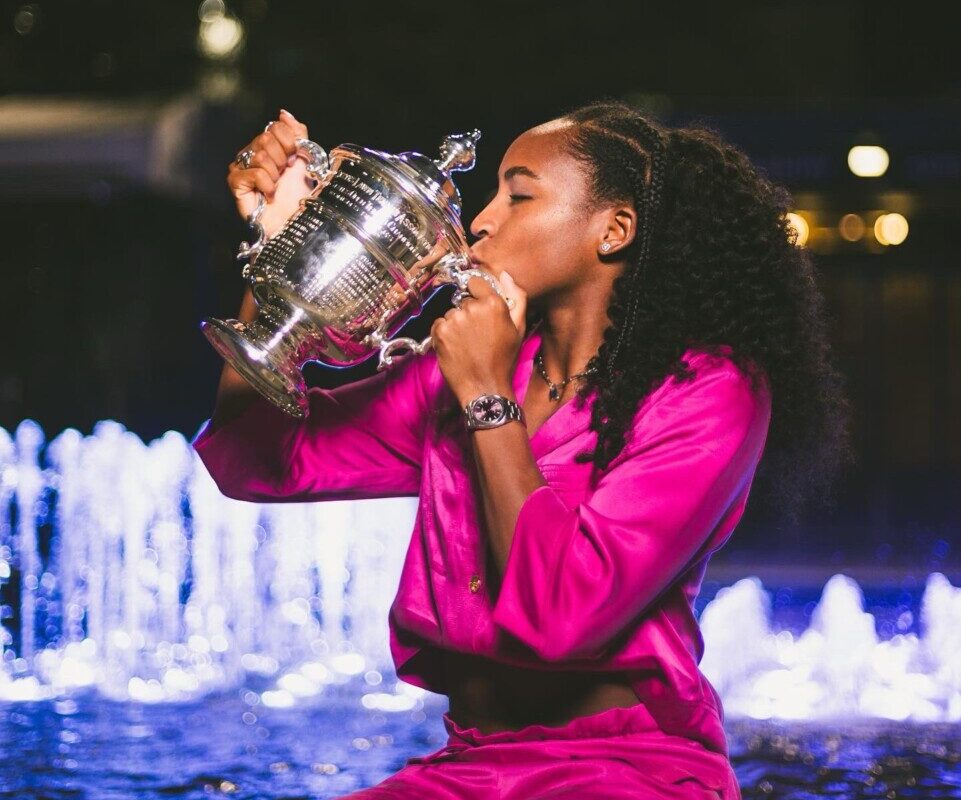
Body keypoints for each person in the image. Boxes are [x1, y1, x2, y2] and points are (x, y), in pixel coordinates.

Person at [193, 102, 852, 799]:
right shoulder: (468, 368)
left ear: (613, 229)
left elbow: (561, 617)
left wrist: (485, 397)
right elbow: (255, 457)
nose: (480, 220)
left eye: (519, 194)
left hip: (627, 770)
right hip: (470, 762)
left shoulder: (708, 390)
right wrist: (287, 248)